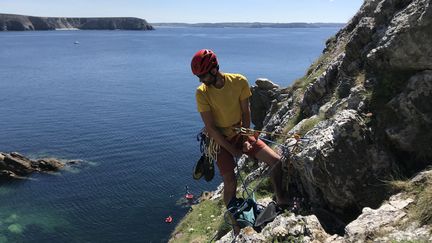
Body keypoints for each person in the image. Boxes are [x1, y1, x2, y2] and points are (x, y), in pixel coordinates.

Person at [191, 49, 288, 214]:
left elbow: (246, 112)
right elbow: (211, 129)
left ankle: (281, 199)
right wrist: (234, 151)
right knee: (230, 182)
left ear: (214, 70)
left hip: (240, 132)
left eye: (203, 76)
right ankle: (235, 221)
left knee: (276, 161)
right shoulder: (202, 93)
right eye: (199, 77)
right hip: (219, 140)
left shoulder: (239, 81)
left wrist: (244, 140)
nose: (201, 80)